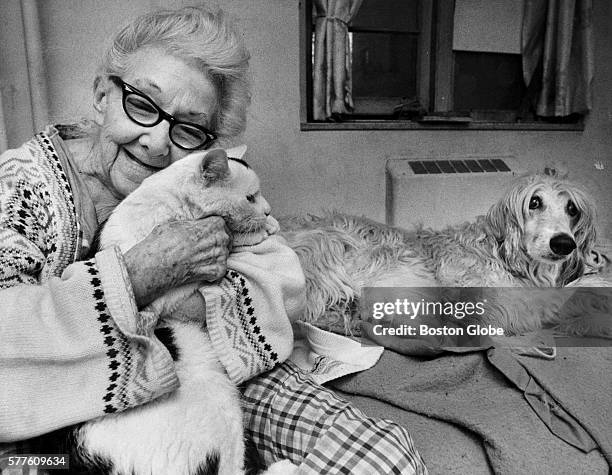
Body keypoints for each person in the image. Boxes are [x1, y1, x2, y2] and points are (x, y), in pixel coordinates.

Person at [0, 6, 426, 473]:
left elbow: (281, 279)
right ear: (103, 94)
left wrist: (187, 303)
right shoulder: (20, 185)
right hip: (60, 420)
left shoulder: (202, 187)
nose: (157, 143)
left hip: (209, 373)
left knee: (385, 459)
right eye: (142, 105)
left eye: (187, 129)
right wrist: (138, 278)